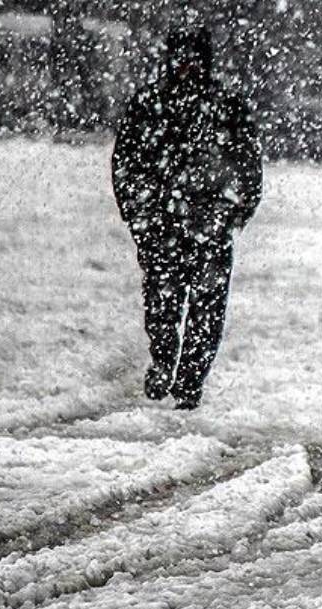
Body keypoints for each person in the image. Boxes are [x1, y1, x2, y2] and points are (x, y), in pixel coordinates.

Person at [111, 25, 262, 410]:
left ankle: (190, 381)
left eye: (195, 59)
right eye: (182, 59)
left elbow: (248, 167)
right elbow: (126, 164)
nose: (188, 67)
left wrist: (233, 212)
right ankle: (164, 361)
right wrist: (138, 212)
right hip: (161, 224)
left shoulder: (226, 108)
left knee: (206, 311)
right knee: (162, 302)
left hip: (208, 225)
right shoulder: (149, 106)